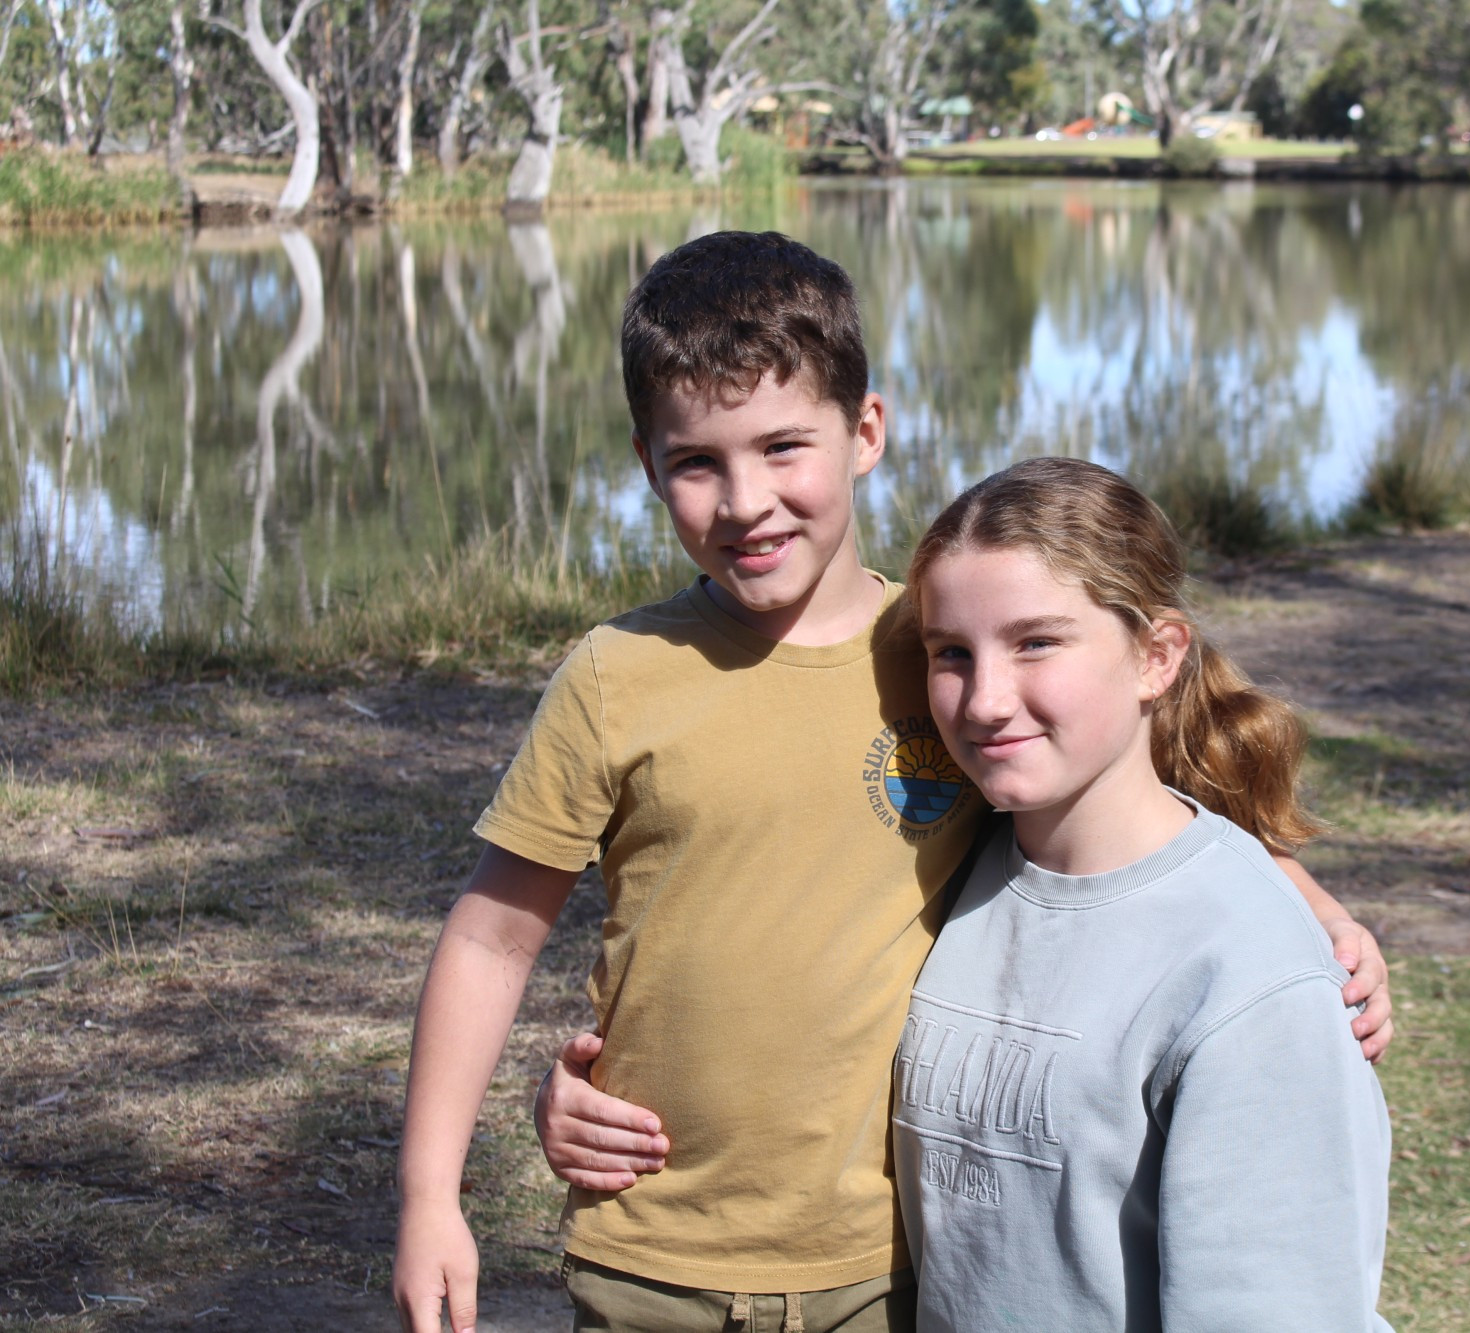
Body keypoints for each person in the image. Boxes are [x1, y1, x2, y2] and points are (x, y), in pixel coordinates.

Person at [393, 231, 1390, 1333]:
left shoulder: (938, 653)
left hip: (890, 1267)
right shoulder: (616, 678)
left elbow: (1132, 778)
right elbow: (490, 937)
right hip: (651, 1253)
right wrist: (431, 1194)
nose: (745, 501)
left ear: (865, 431)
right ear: (645, 464)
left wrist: (1312, 914)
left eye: (783, 447)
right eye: (696, 463)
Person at [894, 457, 1393, 1330]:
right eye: (951, 653)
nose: (985, 700)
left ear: (1156, 657)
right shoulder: (949, 859)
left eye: (1036, 641)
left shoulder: (1251, 976)